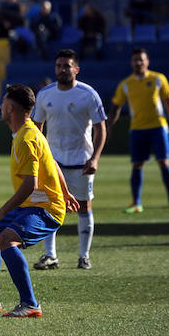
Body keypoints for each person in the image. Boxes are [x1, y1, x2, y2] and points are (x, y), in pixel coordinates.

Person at [0, 84, 78, 318]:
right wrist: (66, 191)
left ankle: (30, 304)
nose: (1, 106)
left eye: (3, 102)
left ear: (10, 108)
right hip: (32, 205)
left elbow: (30, 185)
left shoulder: (27, 137)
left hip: (45, 209)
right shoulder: (26, 131)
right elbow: (51, 162)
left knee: (6, 239)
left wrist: (0, 212)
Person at [31, 50, 106, 270]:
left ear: (76, 69)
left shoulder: (88, 94)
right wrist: (39, 157)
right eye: (59, 65)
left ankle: (84, 255)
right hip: (53, 162)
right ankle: (50, 255)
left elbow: (101, 128)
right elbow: (37, 127)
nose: (62, 69)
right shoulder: (45, 94)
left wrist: (95, 158)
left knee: (83, 207)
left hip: (81, 162)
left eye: (67, 66)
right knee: (49, 206)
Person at [107, 48, 169, 213]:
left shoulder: (158, 78)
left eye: (141, 59)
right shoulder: (126, 84)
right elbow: (116, 107)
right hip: (137, 130)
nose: (138, 63)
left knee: (164, 162)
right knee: (137, 165)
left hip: (158, 128)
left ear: (147, 61)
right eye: (135, 60)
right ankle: (136, 203)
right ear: (131, 62)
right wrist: (108, 127)